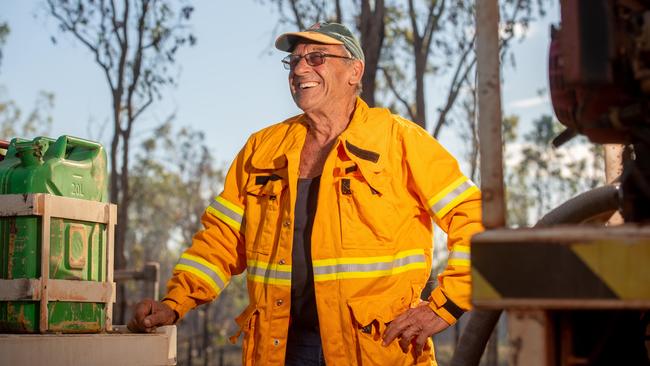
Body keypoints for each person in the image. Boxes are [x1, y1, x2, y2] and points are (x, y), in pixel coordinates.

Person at [128, 22, 483, 366]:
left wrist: (446, 306)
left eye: (316, 57)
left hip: (378, 348)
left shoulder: (399, 140)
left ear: (354, 71)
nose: (300, 68)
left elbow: (475, 217)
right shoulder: (262, 148)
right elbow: (220, 240)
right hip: (281, 347)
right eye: (294, 60)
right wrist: (174, 302)